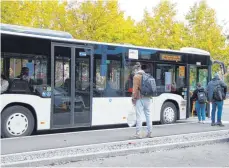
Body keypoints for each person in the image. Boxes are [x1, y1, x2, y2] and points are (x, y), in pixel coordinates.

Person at [131, 62, 152, 139]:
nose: (133, 72)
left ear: (136, 69)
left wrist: (133, 98)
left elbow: (135, 89)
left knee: (139, 116)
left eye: (134, 70)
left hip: (140, 98)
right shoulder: (147, 75)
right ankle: (149, 132)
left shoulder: (136, 76)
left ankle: (138, 133)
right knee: (148, 115)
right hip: (148, 98)